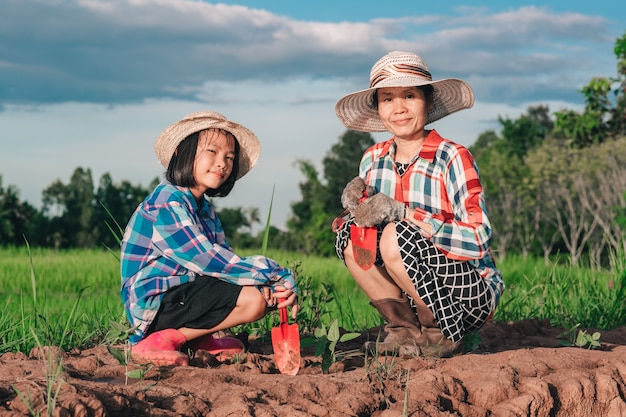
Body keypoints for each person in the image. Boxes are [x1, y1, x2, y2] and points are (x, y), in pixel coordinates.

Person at [333, 51, 504, 358]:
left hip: (466, 294)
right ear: (379, 108)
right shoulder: (372, 159)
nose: (399, 108)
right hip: (410, 292)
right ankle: (403, 331)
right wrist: (354, 205)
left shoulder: (452, 156)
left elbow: (479, 238)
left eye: (409, 95)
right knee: (349, 235)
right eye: (387, 99)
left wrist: (405, 214)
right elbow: (366, 227)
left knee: (396, 235)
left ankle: (441, 333)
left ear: (427, 101)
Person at [120, 111, 298, 366]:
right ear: (182, 152)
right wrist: (274, 274)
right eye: (212, 152)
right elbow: (208, 261)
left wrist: (268, 288)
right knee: (253, 300)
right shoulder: (167, 204)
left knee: (257, 298)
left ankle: (196, 339)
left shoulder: (204, 209)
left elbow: (223, 266)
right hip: (154, 304)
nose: (222, 163)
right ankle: (156, 341)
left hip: (182, 295)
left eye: (229, 157)